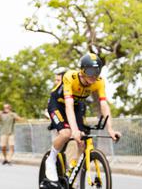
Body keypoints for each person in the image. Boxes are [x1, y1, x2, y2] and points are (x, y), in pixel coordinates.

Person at [44, 53, 121, 181]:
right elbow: (68, 106)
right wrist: (74, 131)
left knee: (83, 140)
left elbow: (104, 104)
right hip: (58, 104)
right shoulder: (71, 76)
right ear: (82, 70)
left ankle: (73, 174)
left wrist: (111, 129)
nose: (93, 75)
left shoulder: (99, 82)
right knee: (66, 133)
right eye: (90, 71)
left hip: (77, 104)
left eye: (97, 71)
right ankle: (51, 160)